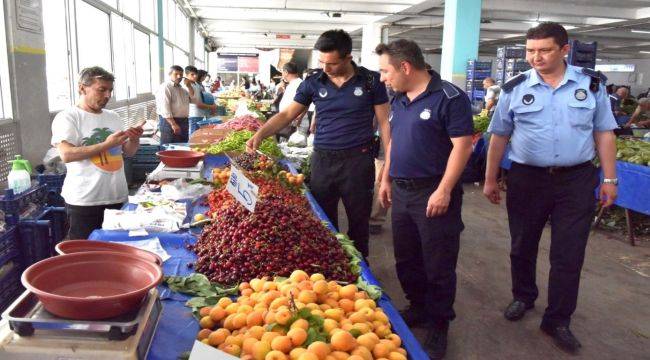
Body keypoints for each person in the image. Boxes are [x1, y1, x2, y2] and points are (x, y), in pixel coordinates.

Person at [483, 22, 618, 355]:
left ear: (564, 50)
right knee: (522, 244)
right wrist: (489, 178)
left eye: (544, 50)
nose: (535, 57)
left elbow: (604, 133)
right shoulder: (514, 87)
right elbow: (498, 135)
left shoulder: (591, 85)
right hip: (528, 179)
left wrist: (611, 180)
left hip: (576, 179)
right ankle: (523, 296)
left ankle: (558, 319)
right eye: (531, 51)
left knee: (568, 254)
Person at [247, 29, 391, 259]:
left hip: (358, 161)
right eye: (321, 61)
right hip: (323, 161)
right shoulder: (314, 82)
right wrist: (260, 134)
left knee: (359, 224)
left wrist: (388, 166)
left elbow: (385, 124)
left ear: (347, 58)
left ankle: (361, 276)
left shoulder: (371, 81)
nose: (326, 68)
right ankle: (331, 268)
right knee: (324, 222)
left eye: (332, 63)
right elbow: (286, 115)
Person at [375, 40, 474, 359]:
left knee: (438, 263)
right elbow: (394, 143)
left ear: (405, 67)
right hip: (402, 191)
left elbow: (462, 147)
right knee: (406, 257)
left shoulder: (449, 97)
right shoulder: (398, 98)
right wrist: (386, 177)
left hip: (433, 191)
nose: (382, 78)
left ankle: (439, 324)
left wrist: (444, 189)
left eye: (385, 71)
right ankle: (418, 307)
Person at [51, 66, 143, 239]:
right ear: (82, 88)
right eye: (101, 90)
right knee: (86, 253)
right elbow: (67, 155)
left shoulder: (113, 116)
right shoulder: (69, 117)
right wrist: (106, 145)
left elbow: (128, 153)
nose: (108, 95)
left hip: (117, 196)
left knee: (116, 249)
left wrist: (134, 139)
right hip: (85, 201)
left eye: (110, 90)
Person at [155, 65, 192, 144]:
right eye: (176, 74)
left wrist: (189, 86)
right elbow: (165, 108)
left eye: (181, 75)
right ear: (170, 74)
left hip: (183, 121)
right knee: (170, 147)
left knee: (183, 145)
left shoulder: (181, 89)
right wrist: (173, 124)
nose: (179, 76)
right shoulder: (165, 87)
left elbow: (192, 99)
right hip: (170, 121)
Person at [184, 66, 217, 135]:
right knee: (193, 135)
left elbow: (202, 97)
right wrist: (212, 107)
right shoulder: (187, 86)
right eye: (192, 74)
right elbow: (197, 103)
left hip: (199, 114)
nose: (195, 76)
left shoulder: (196, 84)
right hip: (193, 114)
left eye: (196, 74)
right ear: (186, 75)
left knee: (197, 134)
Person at [276, 62, 305, 140]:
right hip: (287, 122)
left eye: (282, 72)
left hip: (293, 124)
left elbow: (305, 103)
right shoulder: (292, 84)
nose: (281, 74)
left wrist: (299, 117)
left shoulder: (299, 84)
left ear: (286, 72)